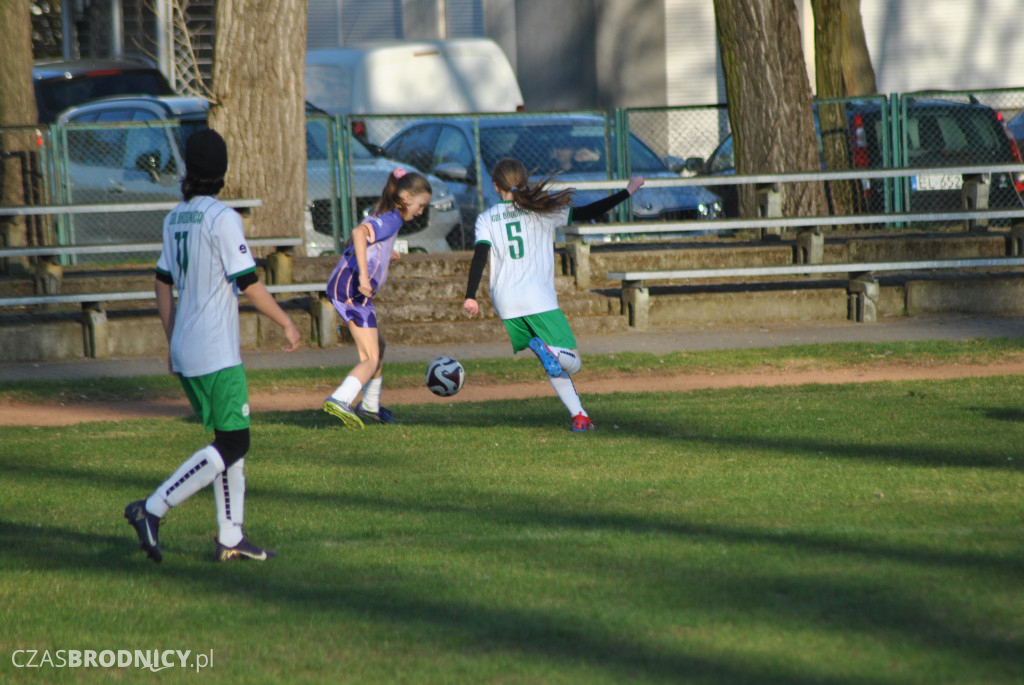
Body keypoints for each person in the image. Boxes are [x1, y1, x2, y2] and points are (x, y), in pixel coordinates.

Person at [124, 128, 301, 564]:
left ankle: (230, 536)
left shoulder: (175, 218)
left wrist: (171, 341)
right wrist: (285, 321)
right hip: (216, 351)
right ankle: (152, 508)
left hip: (187, 346)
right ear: (222, 171)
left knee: (227, 439)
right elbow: (249, 283)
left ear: (188, 169)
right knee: (235, 444)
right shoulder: (223, 218)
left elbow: (161, 283)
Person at [463, 158, 644, 431]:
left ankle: (580, 417)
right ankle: (552, 354)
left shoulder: (486, 218)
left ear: (495, 186)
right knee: (573, 362)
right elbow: (589, 211)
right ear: (525, 182)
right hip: (537, 299)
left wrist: (471, 296)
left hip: (505, 302)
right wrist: (627, 191)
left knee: (553, 363)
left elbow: (479, 256)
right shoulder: (543, 210)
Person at [322, 168, 432, 429]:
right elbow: (359, 234)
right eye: (420, 205)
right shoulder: (392, 218)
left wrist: (386, 252)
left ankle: (370, 405)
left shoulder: (387, 213)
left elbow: (365, 240)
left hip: (349, 287)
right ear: (406, 198)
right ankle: (340, 399)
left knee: (378, 347)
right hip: (352, 290)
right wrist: (363, 277)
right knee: (370, 358)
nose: (421, 212)